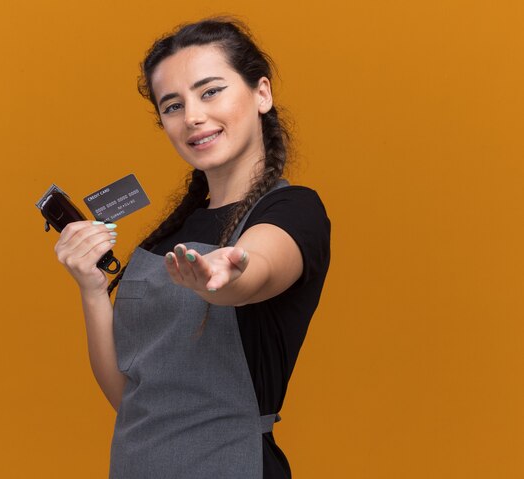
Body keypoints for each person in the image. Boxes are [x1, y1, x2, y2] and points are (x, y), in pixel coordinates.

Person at [54, 17, 331, 479]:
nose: (193, 117)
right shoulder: (167, 234)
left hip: (232, 465)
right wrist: (90, 289)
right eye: (173, 106)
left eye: (210, 91)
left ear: (261, 93)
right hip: (136, 464)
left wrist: (227, 277)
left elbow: (257, 267)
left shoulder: (292, 210)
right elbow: (131, 396)